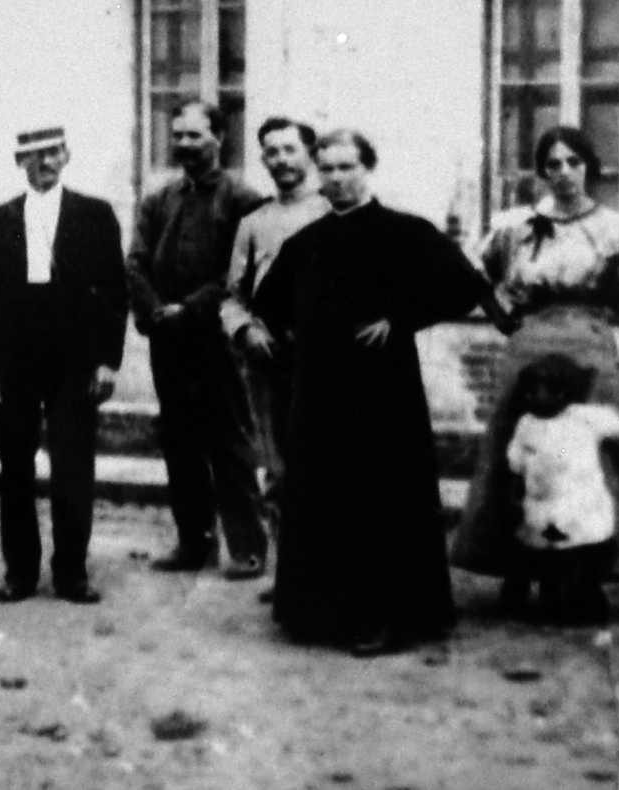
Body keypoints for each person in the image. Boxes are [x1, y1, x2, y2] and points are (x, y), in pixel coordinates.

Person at [253, 129, 514, 656]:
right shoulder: (307, 241)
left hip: (382, 390)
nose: (336, 178)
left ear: (367, 168)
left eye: (346, 167)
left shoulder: (404, 231)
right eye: (327, 169)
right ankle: (324, 613)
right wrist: (292, 335)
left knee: (380, 497)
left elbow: (465, 284)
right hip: (320, 390)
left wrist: (401, 317)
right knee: (325, 493)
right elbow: (268, 301)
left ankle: (388, 618)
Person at [451, 126, 619, 610]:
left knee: (596, 452)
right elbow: (472, 273)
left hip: (590, 345)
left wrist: (618, 284)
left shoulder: (616, 228)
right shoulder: (516, 225)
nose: (564, 173)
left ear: (590, 168)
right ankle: (516, 568)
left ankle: (592, 573)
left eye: (574, 162)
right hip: (531, 343)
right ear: (541, 171)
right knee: (519, 455)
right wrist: (503, 319)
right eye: (553, 164)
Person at [0, 126, 128, 605]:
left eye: (53, 152)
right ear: (20, 161)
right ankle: (20, 571)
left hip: (75, 361)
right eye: (34, 154)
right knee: (14, 466)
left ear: (67, 155)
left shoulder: (95, 214)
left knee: (73, 467)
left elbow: (115, 292)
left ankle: (71, 572)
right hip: (15, 361)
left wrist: (108, 361)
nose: (45, 162)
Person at [128, 100, 269, 578]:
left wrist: (188, 310)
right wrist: (154, 311)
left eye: (195, 135)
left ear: (219, 138)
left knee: (229, 441)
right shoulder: (158, 200)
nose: (185, 144)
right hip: (167, 342)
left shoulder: (242, 200)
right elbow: (135, 263)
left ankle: (247, 547)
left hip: (218, 340)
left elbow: (238, 275)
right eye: (178, 135)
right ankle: (194, 543)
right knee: (179, 441)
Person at [220, 116, 331, 542]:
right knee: (279, 471)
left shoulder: (332, 212)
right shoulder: (254, 222)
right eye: (271, 152)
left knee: (328, 465)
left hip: (326, 361)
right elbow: (232, 296)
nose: (281, 159)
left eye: (290, 149)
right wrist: (246, 331)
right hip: (271, 363)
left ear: (310, 154)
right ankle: (289, 569)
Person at [507, 354, 619, 626]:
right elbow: (516, 463)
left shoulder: (583, 417)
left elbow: (617, 429)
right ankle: (550, 603)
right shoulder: (527, 423)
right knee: (548, 559)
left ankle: (587, 603)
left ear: (561, 393)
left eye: (537, 392)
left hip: (582, 504)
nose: (530, 398)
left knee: (582, 559)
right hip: (542, 504)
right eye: (527, 392)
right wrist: (516, 496)